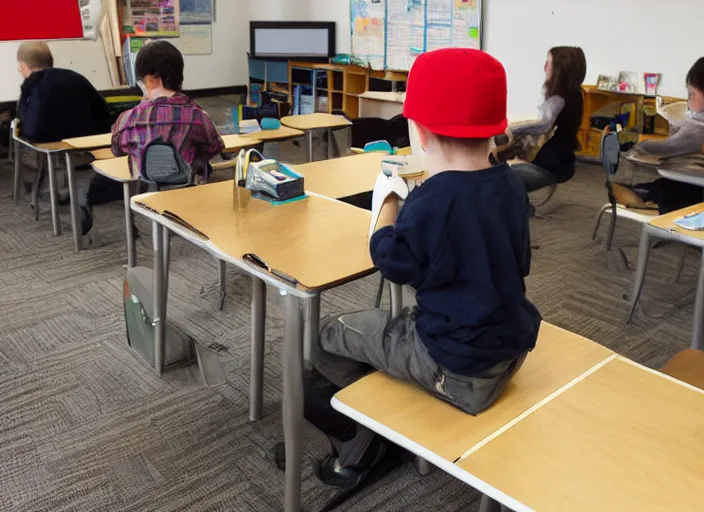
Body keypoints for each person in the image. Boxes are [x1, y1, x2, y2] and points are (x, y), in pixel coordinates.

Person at [303, 48, 542, 491]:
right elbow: (515, 259)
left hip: (457, 367)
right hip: (510, 350)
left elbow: (390, 259)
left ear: (421, 132)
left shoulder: (431, 201)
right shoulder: (510, 182)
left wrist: (389, 201)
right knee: (389, 326)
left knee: (321, 336)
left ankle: (368, 437)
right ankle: (391, 404)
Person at [79, 40, 225, 239]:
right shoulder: (198, 115)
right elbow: (214, 147)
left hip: (144, 189)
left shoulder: (128, 119)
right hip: (187, 192)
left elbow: (117, 150)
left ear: (147, 78)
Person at [628, 57, 704, 214]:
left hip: (696, 181)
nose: (689, 102)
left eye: (691, 95)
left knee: (668, 190)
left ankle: (643, 197)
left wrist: (636, 144)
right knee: (668, 186)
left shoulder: (698, 126)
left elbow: (670, 147)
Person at [509, 46, 587, 192]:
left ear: (560, 69)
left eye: (548, 63)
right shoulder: (575, 94)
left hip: (552, 163)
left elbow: (543, 126)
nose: (544, 67)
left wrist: (512, 128)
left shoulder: (559, 98)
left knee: (497, 173)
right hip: (562, 160)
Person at [16, 42, 111, 143]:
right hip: (90, 146)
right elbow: (103, 110)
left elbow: (29, 131)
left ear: (24, 66)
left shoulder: (33, 87)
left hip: (51, 152)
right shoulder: (74, 77)